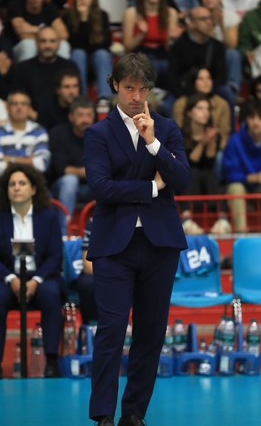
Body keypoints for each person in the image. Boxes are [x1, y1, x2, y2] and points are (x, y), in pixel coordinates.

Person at [84, 53, 190, 425]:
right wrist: (150, 186)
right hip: (114, 245)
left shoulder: (167, 128)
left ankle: (133, 414)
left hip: (160, 245)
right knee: (111, 332)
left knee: (150, 334)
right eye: (129, 87)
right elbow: (101, 187)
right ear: (115, 85)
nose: (136, 95)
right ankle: (102, 416)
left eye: (143, 88)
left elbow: (183, 180)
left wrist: (154, 145)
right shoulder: (97, 134)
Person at [0, 163, 64, 379]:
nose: (16, 188)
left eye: (22, 183)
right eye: (12, 184)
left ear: (33, 189)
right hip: (7, 278)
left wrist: (36, 280)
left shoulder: (49, 217)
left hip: (41, 276)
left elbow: (56, 256)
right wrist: (11, 279)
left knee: (51, 294)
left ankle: (52, 361)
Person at [223, 99, 261, 233]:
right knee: (235, 188)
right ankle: (241, 235)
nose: (256, 122)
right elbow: (230, 173)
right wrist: (254, 178)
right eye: (252, 118)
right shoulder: (235, 141)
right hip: (242, 184)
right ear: (246, 120)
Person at [176, 93, 232, 236]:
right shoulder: (179, 134)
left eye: (207, 109)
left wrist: (211, 142)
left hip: (208, 180)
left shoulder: (214, 134)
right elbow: (187, 162)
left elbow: (210, 162)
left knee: (208, 173)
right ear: (189, 112)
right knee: (192, 171)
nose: (205, 113)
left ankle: (222, 220)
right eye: (200, 108)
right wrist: (202, 143)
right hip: (186, 179)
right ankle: (186, 219)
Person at [9, 27, 79, 130]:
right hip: (31, 122)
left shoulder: (70, 66)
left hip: (65, 122)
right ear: (36, 43)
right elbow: (19, 98)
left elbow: (77, 97)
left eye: (52, 41)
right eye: (43, 41)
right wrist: (39, 119)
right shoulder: (22, 68)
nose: (48, 45)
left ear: (59, 44)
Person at [0, 91, 51, 196]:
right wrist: (29, 161)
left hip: (34, 185)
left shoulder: (39, 131)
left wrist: (10, 159)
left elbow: (42, 165)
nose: (19, 108)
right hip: (4, 186)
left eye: (23, 104)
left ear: (29, 108)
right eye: (15, 104)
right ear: (7, 108)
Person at [122, 0, 179, 91]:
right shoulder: (131, 13)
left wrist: (172, 39)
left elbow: (170, 49)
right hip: (140, 57)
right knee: (150, 67)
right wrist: (142, 34)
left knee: (170, 67)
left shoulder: (171, 13)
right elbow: (127, 47)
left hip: (163, 56)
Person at [48, 96, 95, 235]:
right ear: (71, 117)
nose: (85, 119)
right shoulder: (58, 134)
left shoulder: (101, 135)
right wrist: (91, 171)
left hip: (92, 186)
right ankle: (64, 234)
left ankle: (104, 233)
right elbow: (62, 169)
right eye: (80, 115)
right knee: (70, 181)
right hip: (61, 188)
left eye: (89, 115)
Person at [63, 0, 114, 100]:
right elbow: (73, 44)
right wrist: (82, 20)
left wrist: (86, 20)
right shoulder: (67, 17)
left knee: (102, 54)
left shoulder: (102, 16)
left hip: (98, 62)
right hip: (77, 62)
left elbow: (105, 44)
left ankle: (105, 99)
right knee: (78, 53)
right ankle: (81, 98)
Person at [4, 0, 70, 63]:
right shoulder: (16, 5)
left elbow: (63, 34)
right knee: (29, 44)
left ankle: (61, 76)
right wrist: (49, 35)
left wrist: (33, 29)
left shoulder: (50, 8)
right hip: (17, 50)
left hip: (42, 45)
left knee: (63, 45)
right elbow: (22, 34)